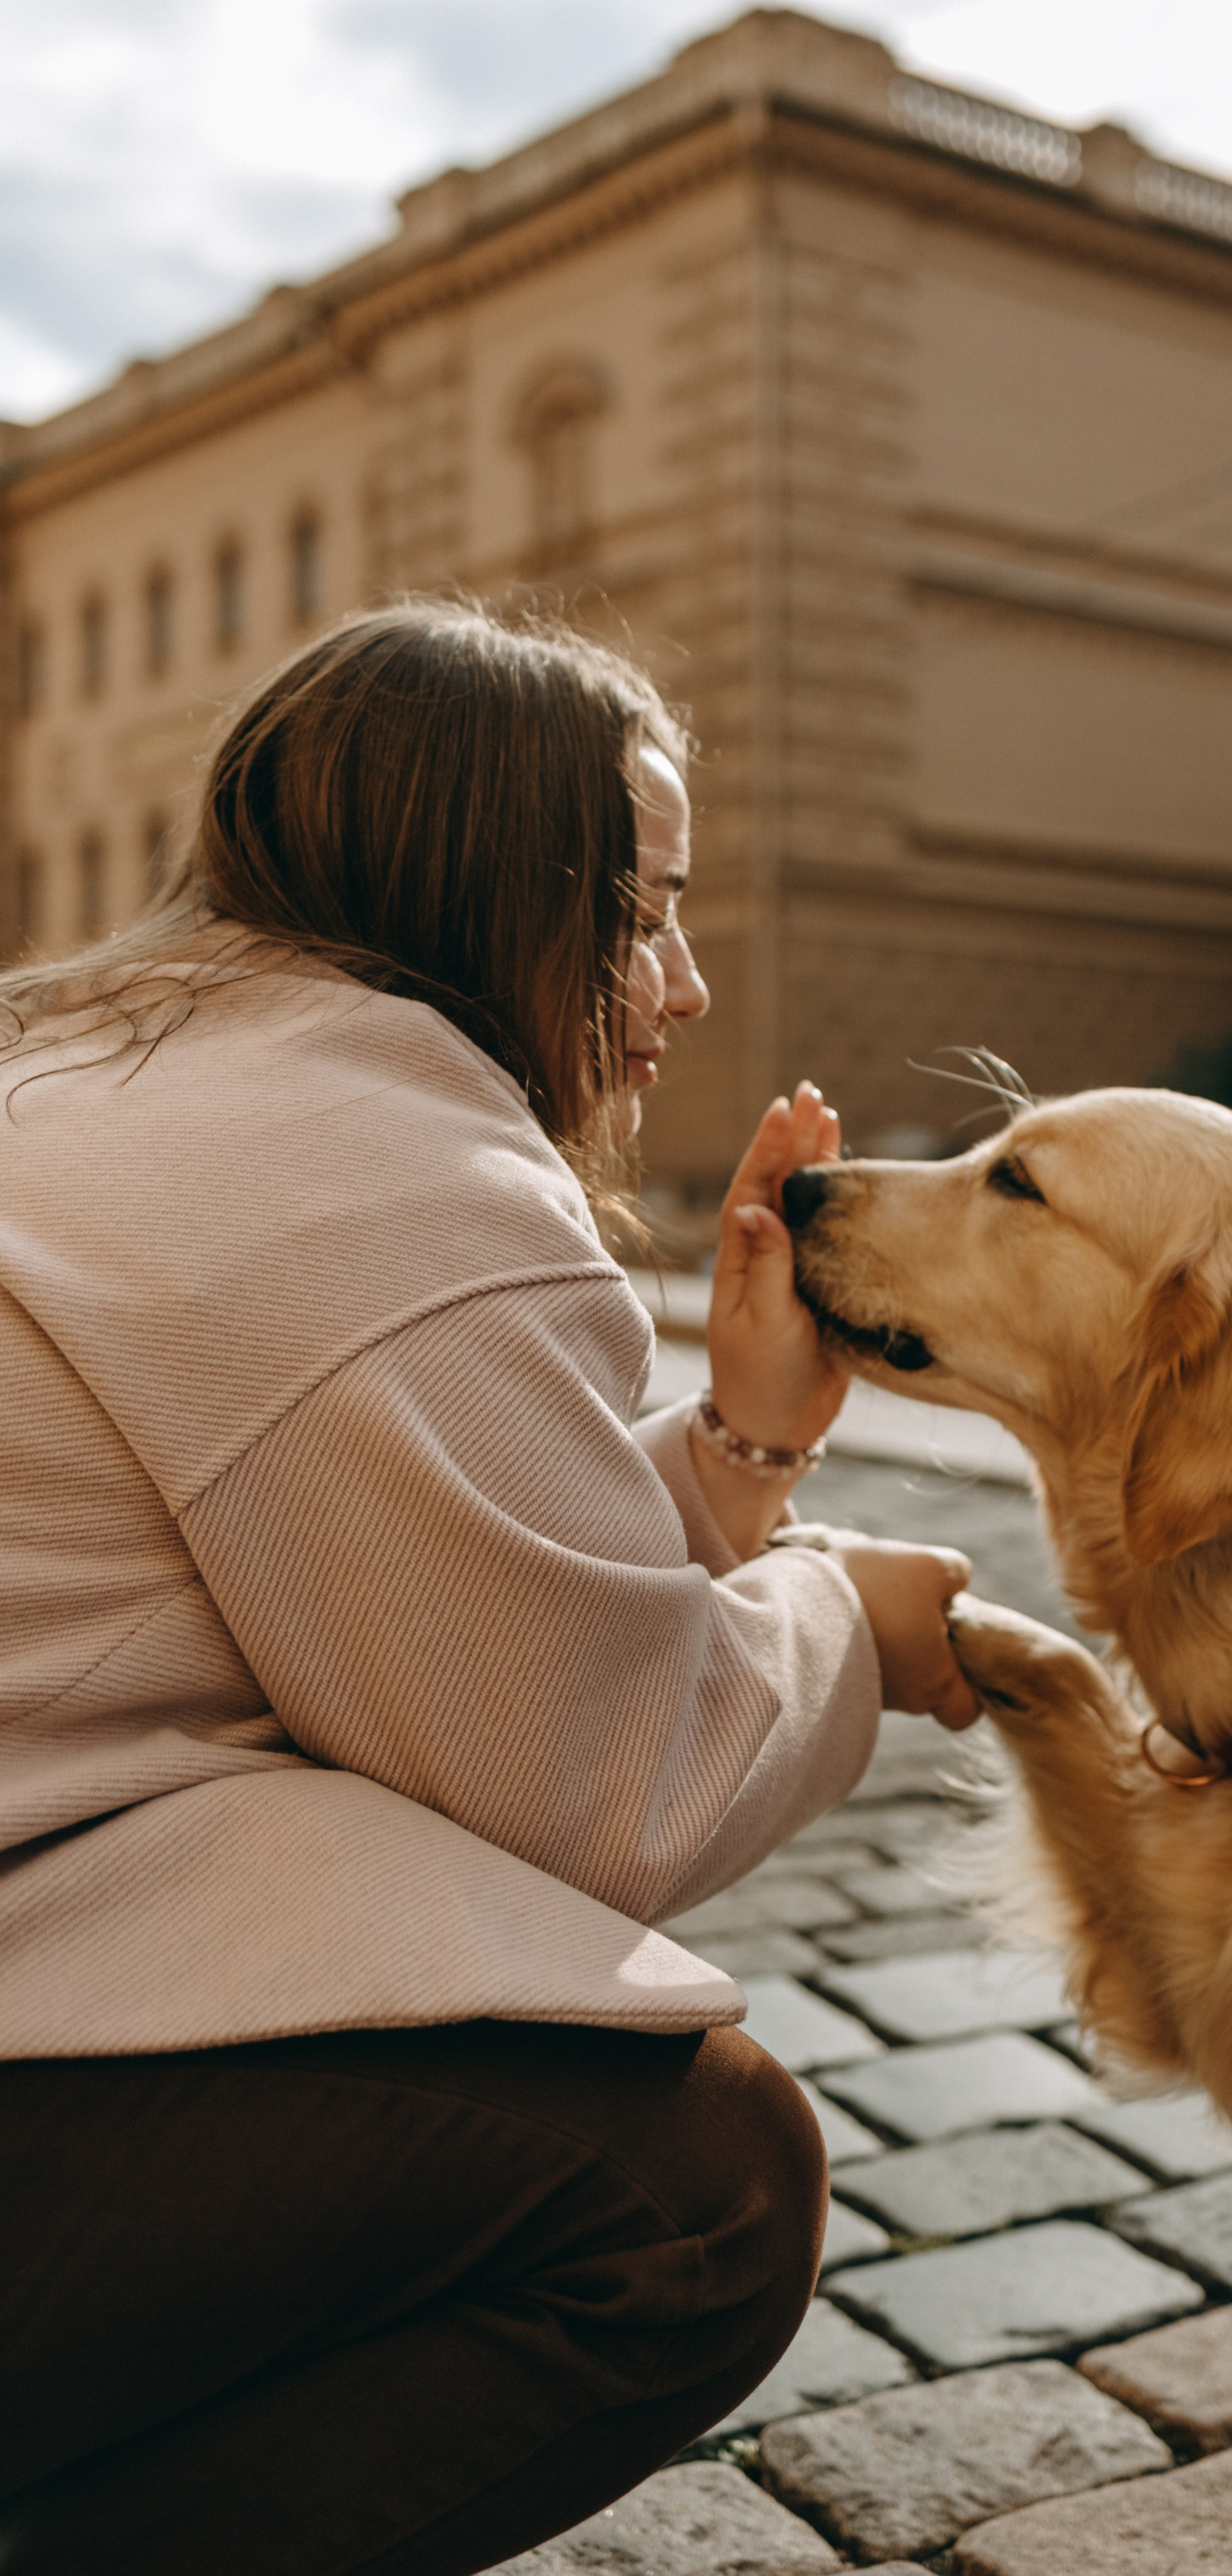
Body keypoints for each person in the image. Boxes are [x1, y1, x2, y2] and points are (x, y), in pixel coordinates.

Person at [0, 601, 981, 2573]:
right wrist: (852, 1625)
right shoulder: (386, 1164)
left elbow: (347, 1561)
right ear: (497, 890)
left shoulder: (104, 1057)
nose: (684, 987)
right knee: (698, 2188)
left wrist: (737, 1458)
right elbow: (598, 1779)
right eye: (644, 914)